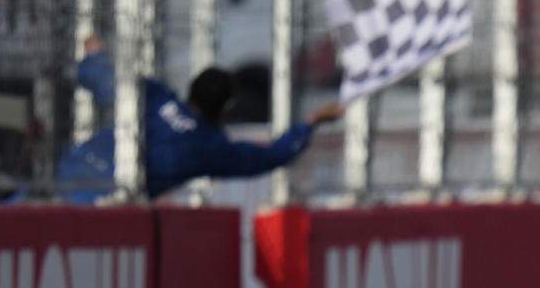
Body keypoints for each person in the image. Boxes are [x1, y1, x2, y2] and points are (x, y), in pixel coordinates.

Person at [57, 40, 342, 201]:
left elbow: (104, 79)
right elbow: (273, 155)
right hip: (103, 204)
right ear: (225, 108)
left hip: (65, 175)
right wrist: (311, 121)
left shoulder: (157, 97)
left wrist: (95, 55)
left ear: (191, 88)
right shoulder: (209, 147)